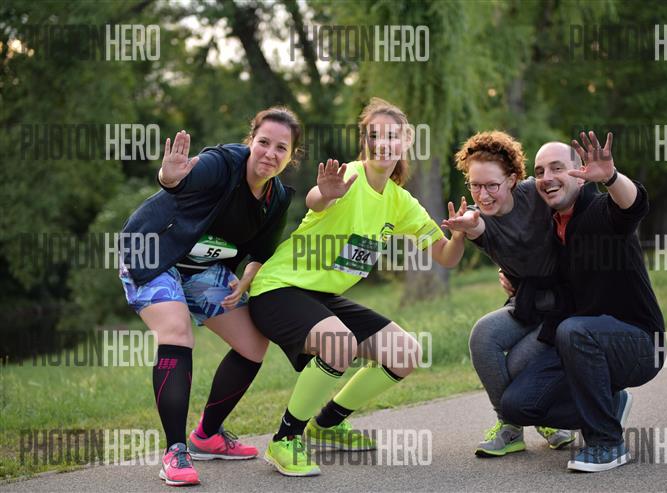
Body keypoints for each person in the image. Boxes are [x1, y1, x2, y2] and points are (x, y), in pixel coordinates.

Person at [248, 97, 466, 477]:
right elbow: (316, 200)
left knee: (405, 353)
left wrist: (462, 233)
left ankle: (328, 424)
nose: (383, 143)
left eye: (392, 136)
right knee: (340, 343)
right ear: (365, 141)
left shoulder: (401, 203)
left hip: (321, 297)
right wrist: (325, 193)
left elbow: (446, 256)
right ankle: (285, 439)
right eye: (374, 135)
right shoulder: (348, 177)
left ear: (406, 143)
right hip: (278, 288)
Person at [118, 107, 299, 486]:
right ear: (251, 141)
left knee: (253, 344)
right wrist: (169, 177)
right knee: (176, 332)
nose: (270, 153)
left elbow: (261, 251)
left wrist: (246, 280)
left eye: (281, 148)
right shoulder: (223, 163)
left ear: (291, 155)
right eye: (264, 142)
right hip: (152, 252)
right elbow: (178, 180)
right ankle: (175, 452)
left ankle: (207, 436)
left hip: (200, 270)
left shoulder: (277, 198)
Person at [498, 132, 665, 472]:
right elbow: (556, 285)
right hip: (581, 344)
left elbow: (633, 206)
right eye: (540, 171)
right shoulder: (552, 229)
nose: (547, 178)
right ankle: (608, 404)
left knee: (574, 330)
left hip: (639, 343)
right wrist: (519, 286)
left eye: (557, 168)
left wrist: (612, 178)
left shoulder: (600, 210)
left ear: (580, 175)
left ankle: (607, 444)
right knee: (516, 405)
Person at [441, 130, 575, 457]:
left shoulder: (535, 193)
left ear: (513, 180)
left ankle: (545, 415)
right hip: (526, 302)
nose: (483, 195)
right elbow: (476, 226)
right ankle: (510, 426)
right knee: (483, 335)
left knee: (515, 367)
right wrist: (465, 226)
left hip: (564, 303)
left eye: (491, 185)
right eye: (475, 185)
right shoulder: (479, 217)